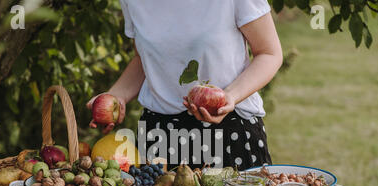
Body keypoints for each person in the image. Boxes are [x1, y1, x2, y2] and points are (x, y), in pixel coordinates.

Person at [87, 0, 283, 170]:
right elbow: (143, 60)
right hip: (159, 137)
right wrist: (116, 96)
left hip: (229, 132)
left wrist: (230, 95)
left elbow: (269, 53)